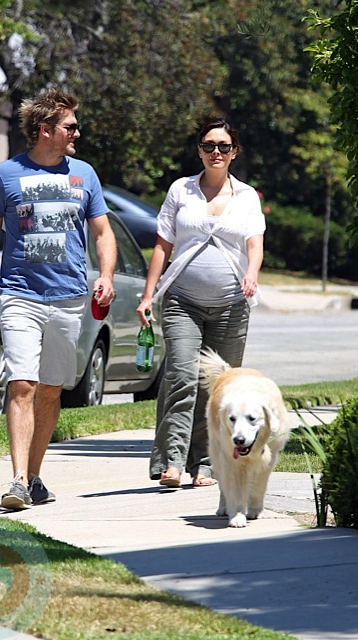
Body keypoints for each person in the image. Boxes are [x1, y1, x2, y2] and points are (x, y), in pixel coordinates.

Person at [0, 89, 117, 510]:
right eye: (70, 126)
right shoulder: (5, 175)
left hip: (69, 298)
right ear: (44, 130)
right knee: (22, 384)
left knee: (51, 390)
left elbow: (103, 232)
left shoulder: (85, 175)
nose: (77, 132)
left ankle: (34, 476)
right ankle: (16, 480)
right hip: (20, 296)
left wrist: (105, 275)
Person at [136, 119, 265, 488]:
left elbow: (254, 244)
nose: (216, 153)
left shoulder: (246, 197)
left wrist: (252, 273)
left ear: (234, 151)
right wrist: (148, 296)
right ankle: (171, 463)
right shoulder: (182, 190)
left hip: (231, 304)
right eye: (209, 146)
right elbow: (163, 244)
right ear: (199, 150)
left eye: (224, 146)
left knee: (218, 387)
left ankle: (207, 464)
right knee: (180, 375)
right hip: (182, 301)